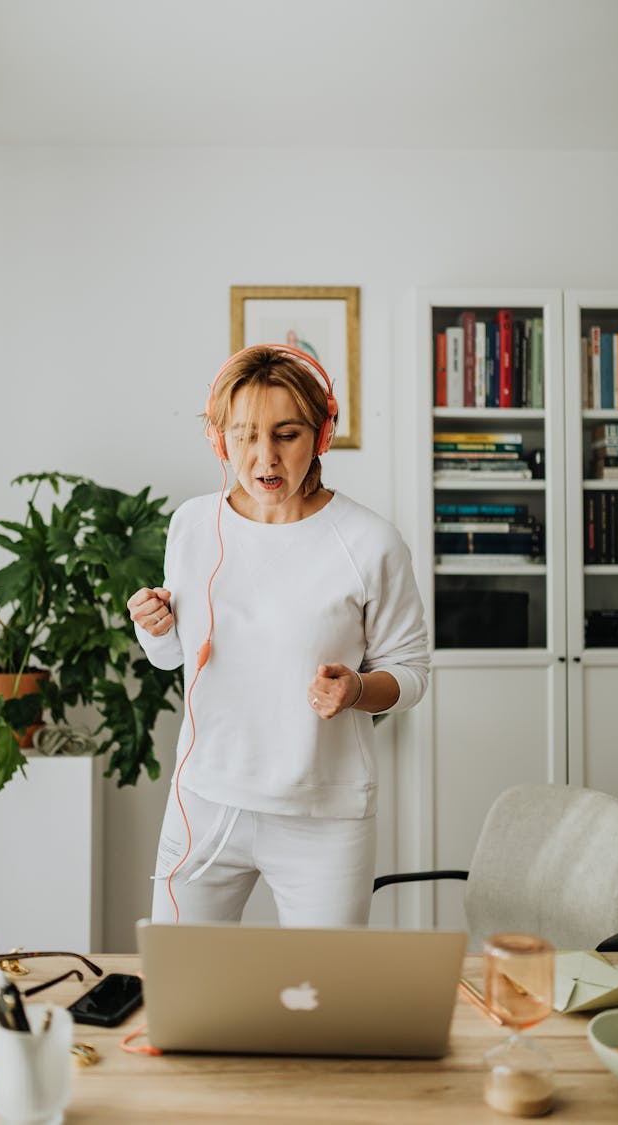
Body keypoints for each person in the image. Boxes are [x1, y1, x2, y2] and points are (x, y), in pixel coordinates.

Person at [127, 344, 429, 928]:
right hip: (205, 802)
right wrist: (154, 625)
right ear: (219, 440)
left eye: (286, 434)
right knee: (186, 989)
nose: (264, 457)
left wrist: (358, 690)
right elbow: (173, 658)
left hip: (324, 816)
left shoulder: (370, 541)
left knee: (325, 1003)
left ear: (320, 436)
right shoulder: (193, 524)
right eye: (243, 435)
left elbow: (412, 673)